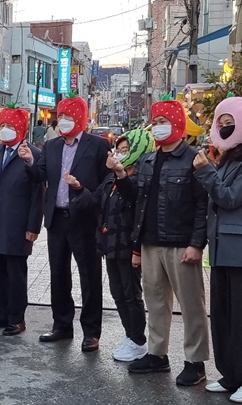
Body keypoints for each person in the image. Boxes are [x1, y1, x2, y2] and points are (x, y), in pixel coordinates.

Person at [111, 97, 209, 386]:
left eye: (163, 122)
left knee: (191, 305)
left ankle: (195, 362)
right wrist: (120, 174)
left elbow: (203, 206)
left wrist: (196, 243)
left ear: (176, 122)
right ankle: (157, 354)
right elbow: (136, 200)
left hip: (181, 243)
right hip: (150, 242)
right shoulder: (148, 160)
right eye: (155, 122)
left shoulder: (193, 158)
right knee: (155, 301)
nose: (157, 127)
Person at [18, 92, 111, 352]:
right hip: (57, 218)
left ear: (79, 117)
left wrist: (86, 195)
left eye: (69, 116)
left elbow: (107, 182)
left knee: (89, 277)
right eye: (61, 116)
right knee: (58, 274)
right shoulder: (52, 146)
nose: (64, 120)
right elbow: (40, 175)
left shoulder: (98, 145)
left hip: (84, 219)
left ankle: (91, 331)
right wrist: (29, 161)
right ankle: (62, 325)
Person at [193, 96, 242, 403]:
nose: (223, 128)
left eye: (230, 123)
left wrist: (205, 171)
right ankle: (232, 374)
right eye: (221, 123)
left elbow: (230, 197)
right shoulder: (229, 160)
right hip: (223, 249)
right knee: (224, 317)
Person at [69, 129, 155, 361]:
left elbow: (133, 198)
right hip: (110, 245)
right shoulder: (110, 178)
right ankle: (130, 336)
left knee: (131, 294)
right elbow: (96, 200)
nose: (121, 153)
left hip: (129, 245)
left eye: (127, 149)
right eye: (120, 149)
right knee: (118, 293)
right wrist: (78, 188)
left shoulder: (142, 175)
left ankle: (138, 340)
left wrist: (120, 173)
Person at [0, 106, 44, 337]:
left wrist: (33, 226)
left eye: (10, 126)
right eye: (2, 126)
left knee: (16, 272)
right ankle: (1, 312)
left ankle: (17, 317)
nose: (4, 130)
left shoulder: (32, 154)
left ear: (21, 128)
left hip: (17, 222)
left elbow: (38, 192)